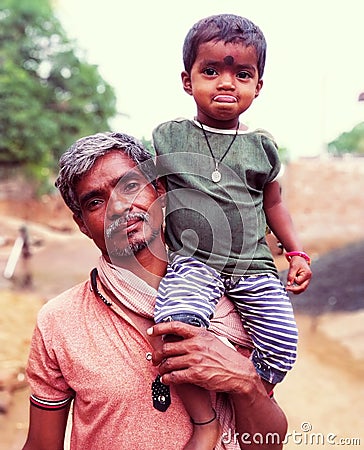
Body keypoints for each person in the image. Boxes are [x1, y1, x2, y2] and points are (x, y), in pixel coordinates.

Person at [21, 132, 288, 450]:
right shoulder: (60, 321)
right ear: (81, 222)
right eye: (95, 201)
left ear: (159, 190)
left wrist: (245, 383)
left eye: (130, 186)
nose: (118, 207)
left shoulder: (235, 298)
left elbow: (267, 445)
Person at [153, 14, 312, 449]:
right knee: (173, 329)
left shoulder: (261, 148)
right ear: (187, 81)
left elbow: (274, 204)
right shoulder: (169, 137)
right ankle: (205, 421)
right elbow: (150, 194)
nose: (227, 84)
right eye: (212, 71)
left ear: (258, 85)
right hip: (193, 263)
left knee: (283, 346)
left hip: (253, 267)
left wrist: (296, 254)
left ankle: (251, 394)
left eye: (242, 74)